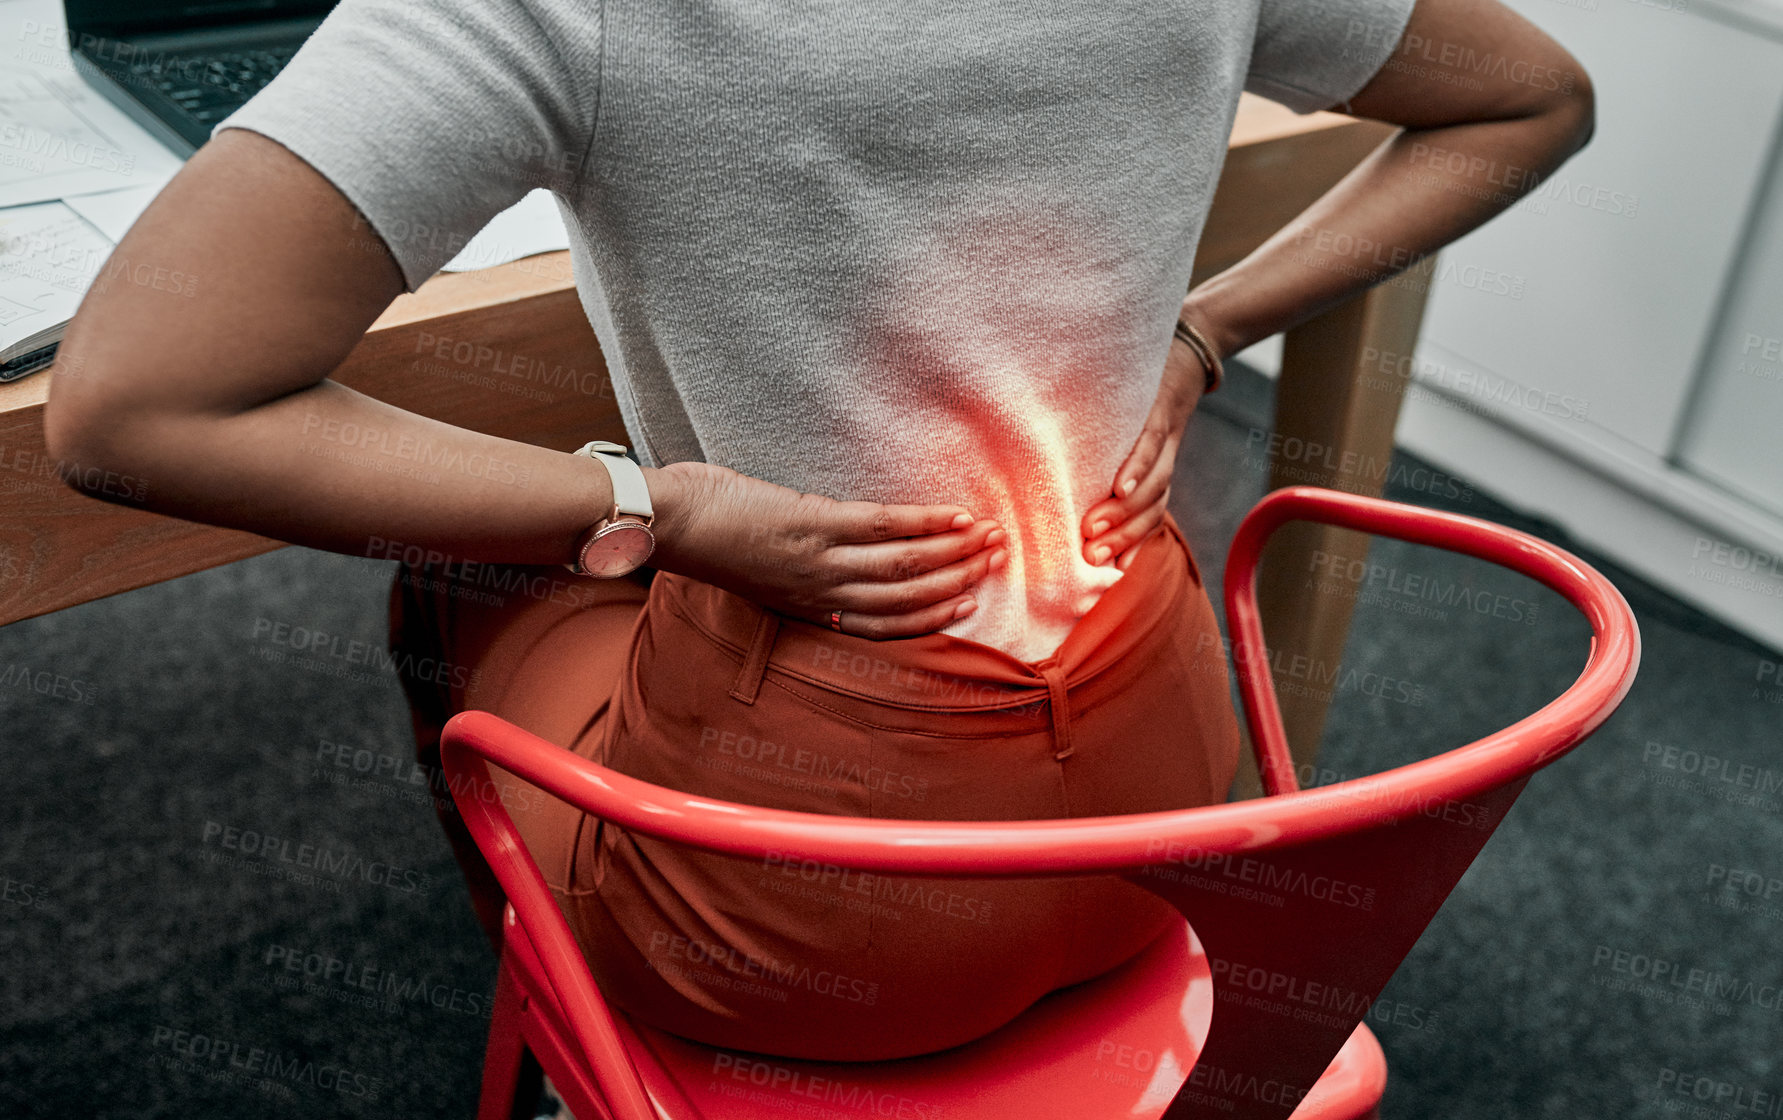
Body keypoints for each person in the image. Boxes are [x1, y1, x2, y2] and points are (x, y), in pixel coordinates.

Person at [47, 0, 1594, 1067]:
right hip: (1165, 827)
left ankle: (574, 998)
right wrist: (1201, 330)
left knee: (472, 576)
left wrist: (658, 508)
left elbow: (126, 412)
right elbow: (1537, 95)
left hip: (813, 915)